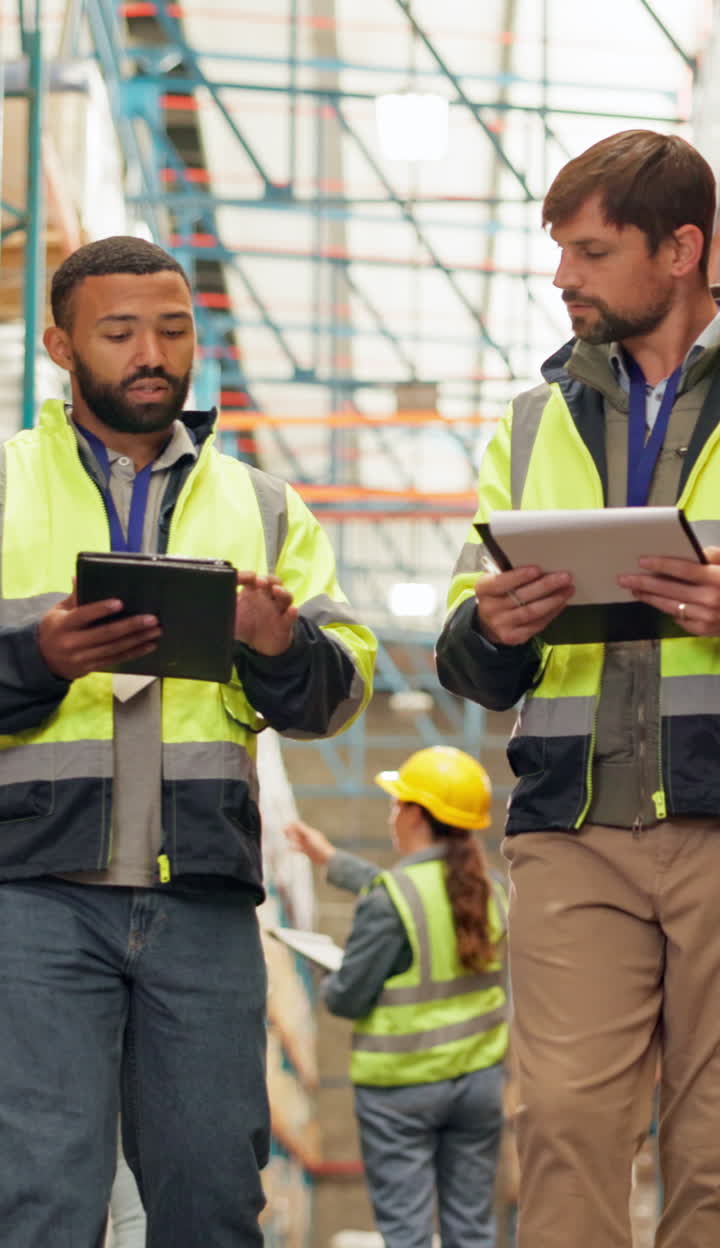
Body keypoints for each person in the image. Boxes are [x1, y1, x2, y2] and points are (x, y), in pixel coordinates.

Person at [0, 235, 377, 1248]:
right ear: (60, 345)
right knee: (40, 1193)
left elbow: (336, 690)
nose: (152, 352)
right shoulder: (3, 484)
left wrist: (276, 639)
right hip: (34, 889)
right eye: (120, 331)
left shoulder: (263, 505)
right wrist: (36, 652)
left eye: (173, 330)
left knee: (213, 1194)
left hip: (202, 895)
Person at [435, 128, 720, 1248]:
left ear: (685, 248)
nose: (565, 277)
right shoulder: (530, 417)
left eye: (593, 252)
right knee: (560, 1121)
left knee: (713, 1145)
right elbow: (465, 648)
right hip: (572, 820)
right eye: (561, 251)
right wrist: (492, 624)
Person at [285, 745, 508, 1248]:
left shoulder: (393, 897)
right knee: (471, 1230)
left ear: (414, 814)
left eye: (396, 803)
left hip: (401, 1090)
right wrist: (331, 860)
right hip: (477, 1085)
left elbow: (346, 999)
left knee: (406, 1233)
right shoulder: (491, 889)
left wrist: (330, 976)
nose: (391, 815)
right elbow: (417, 892)